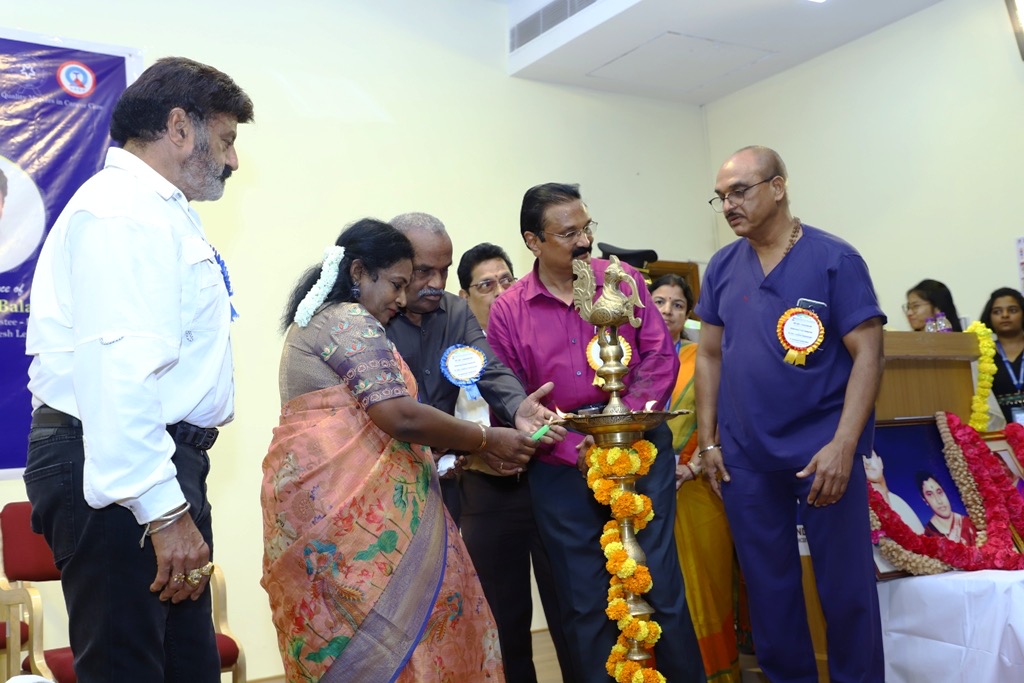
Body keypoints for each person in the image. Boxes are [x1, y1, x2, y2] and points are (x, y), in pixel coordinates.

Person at [23, 57, 254, 683]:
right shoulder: (124, 211)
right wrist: (163, 511)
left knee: (186, 667)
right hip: (121, 469)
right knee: (129, 669)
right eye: (226, 139)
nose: (234, 160)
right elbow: (119, 372)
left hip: (152, 465)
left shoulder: (158, 210)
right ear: (179, 127)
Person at [261, 219, 540, 681]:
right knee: (389, 633)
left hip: (321, 513)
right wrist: (487, 439)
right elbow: (399, 416)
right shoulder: (348, 320)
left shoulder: (319, 320)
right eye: (396, 284)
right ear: (358, 272)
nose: (403, 298)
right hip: (348, 523)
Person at [488, 182, 706, 683]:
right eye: (568, 233)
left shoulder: (622, 281)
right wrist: (573, 444)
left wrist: (618, 430)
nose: (584, 241)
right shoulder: (510, 309)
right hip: (560, 468)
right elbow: (512, 398)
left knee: (660, 587)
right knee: (584, 602)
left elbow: (659, 358)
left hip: (639, 452)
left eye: (587, 228)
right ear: (533, 241)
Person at [695, 146, 886, 682]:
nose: (728, 205)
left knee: (846, 591)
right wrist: (708, 441)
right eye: (721, 196)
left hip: (823, 453)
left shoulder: (834, 259)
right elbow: (708, 354)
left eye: (740, 191)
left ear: (777, 187)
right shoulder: (722, 266)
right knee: (769, 593)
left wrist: (844, 444)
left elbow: (869, 355)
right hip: (746, 459)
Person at [385, 213, 561, 524]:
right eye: (424, 271)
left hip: (442, 483)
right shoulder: (371, 316)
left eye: (444, 271)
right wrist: (482, 441)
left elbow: (489, 368)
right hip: (384, 483)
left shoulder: (456, 311)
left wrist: (518, 407)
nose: (437, 284)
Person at [455, 242, 571, 683]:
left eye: (507, 280)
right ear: (465, 297)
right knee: (505, 617)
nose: (501, 291)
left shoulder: (533, 339)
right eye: (486, 285)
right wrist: (474, 454)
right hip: (486, 495)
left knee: (570, 604)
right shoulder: (456, 356)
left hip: (545, 483)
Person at [650, 273, 743, 682]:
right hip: (645, 490)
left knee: (705, 584)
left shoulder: (702, 356)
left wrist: (692, 466)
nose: (667, 311)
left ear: (689, 313)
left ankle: (715, 672)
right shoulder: (630, 359)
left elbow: (725, 414)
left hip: (698, 485)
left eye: (678, 305)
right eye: (659, 301)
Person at [980, 287, 1024, 423]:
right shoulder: (981, 354)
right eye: (997, 312)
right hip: (997, 428)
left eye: (1012, 310)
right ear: (989, 317)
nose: (1005, 315)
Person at [862, 452, 925, 533]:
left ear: (880, 462)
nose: (867, 463)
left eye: (869, 456)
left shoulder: (899, 503)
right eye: (861, 460)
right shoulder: (865, 512)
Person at [915, 471, 977, 546]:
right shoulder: (929, 535)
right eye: (930, 495)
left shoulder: (968, 522)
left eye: (939, 492)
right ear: (925, 500)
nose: (939, 501)